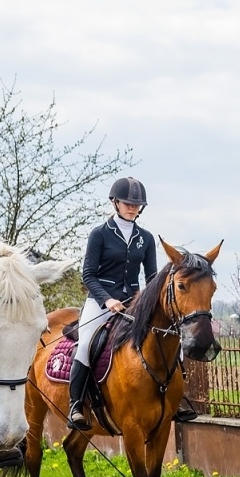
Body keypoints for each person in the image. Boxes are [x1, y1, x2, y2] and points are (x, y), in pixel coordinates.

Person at [69, 177, 156, 431]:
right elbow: (88, 275)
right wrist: (107, 299)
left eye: (137, 204)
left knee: (164, 338)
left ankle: (177, 399)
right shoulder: (100, 234)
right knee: (85, 343)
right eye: (128, 203)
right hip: (101, 300)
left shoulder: (146, 238)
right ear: (115, 202)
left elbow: (151, 277)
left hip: (134, 302)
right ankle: (76, 405)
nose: (132, 207)